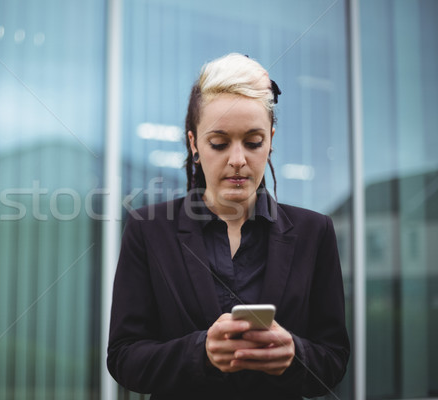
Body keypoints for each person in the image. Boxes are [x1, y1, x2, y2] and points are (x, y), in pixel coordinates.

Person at [107, 53, 350, 399]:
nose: (238, 160)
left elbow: (335, 360)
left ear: (271, 140)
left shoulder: (315, 233)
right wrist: (200, 351)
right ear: (194, 143)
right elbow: (124, 358)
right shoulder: (147, 231)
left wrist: (296, 355)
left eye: (253, 142)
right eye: (219, 143)